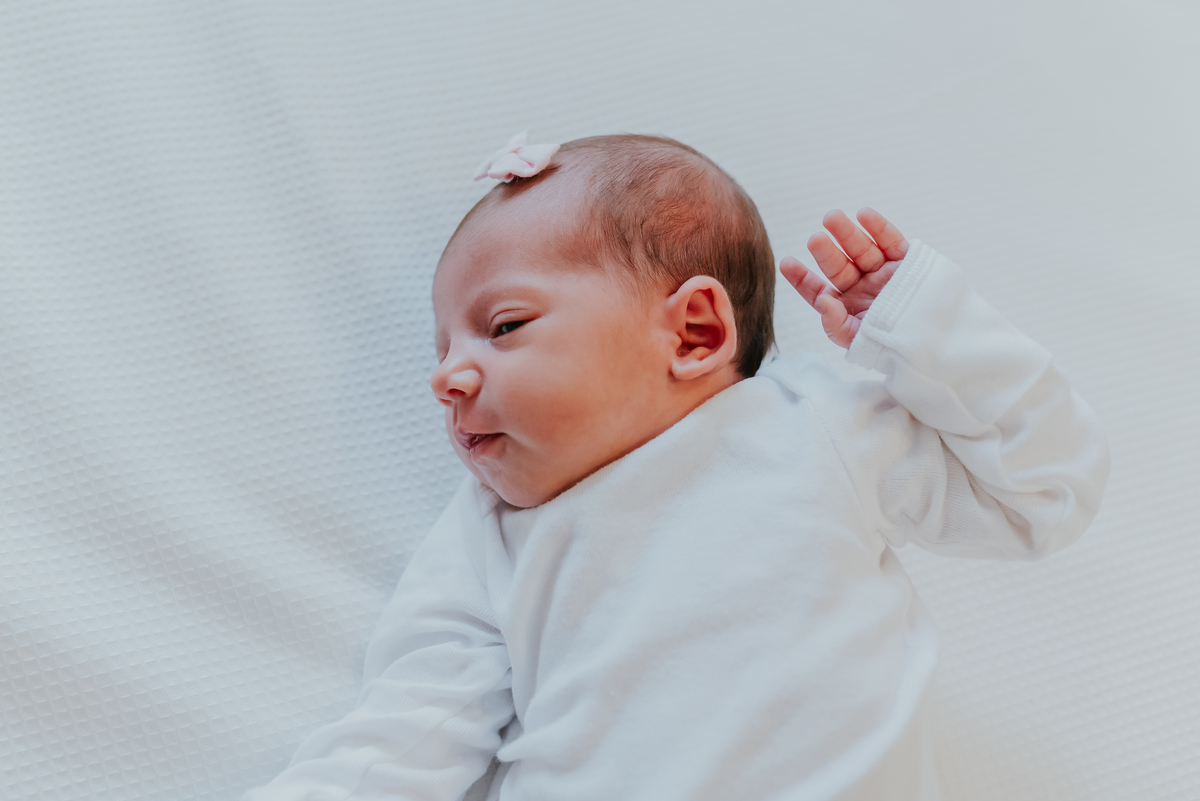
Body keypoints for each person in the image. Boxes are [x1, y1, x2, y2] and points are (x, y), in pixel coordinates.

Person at [244, 132, 1109, 800]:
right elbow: (406, 729)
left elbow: (1046, 489)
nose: (445, 376)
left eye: (502, 326)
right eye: (443, 347)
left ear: (693, 331)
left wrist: (930, 328)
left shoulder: (817, 427)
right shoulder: (488, 530)